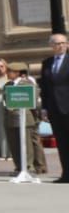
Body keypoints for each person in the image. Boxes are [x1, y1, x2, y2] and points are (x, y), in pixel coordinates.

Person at [2, 60, 50, 176]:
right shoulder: (8, 85)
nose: (7, 73)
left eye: (10, 71)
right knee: (14, 144)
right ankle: (19, 167)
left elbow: (34, 102)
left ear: (18, 73)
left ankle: (29, 167)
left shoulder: (27, 84)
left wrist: (36, 118)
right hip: (10, 118)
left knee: (27, 145)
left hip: (25, 118)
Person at [40, 33, 69, 182]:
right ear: (51, 46)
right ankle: (66, 174)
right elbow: (44, 88)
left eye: (64, 43)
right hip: (54, 109)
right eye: (57, 43)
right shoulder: (47, 63)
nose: (61, 46)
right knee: (62, 142)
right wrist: (44, 108)